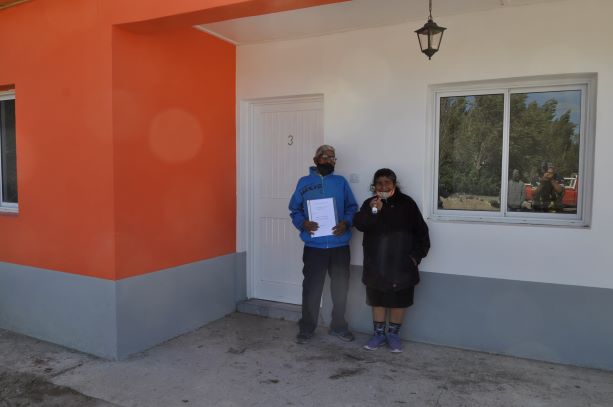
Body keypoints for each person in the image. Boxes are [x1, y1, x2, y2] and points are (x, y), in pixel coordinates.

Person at [353, 168, 430, 353]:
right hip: (376, 262)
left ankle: (393, 336)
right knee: (377, 300)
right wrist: (374, 211)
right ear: (374, 186)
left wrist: (415, 257)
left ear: (394, 184)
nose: (383, 186)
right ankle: (378, 334)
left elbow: (422, 232)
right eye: (379, 183)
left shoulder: (407, 203)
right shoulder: (369, 204)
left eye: (387, 182)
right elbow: (360, 225)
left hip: (401, 263)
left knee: (399, 301)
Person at [289, 145, 358, 344]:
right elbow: (294, 209)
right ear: (316, 159)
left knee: (340, 288)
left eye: (333, 158)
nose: (330, 161)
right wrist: (303, 223)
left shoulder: (340, 182)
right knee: (311, 288)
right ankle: (307, 328)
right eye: (326, 157)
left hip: (339, 246)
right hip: (314, 247)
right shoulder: (304, 183)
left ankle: (338, 326)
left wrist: (346, 222)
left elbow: (352, 207)